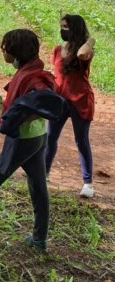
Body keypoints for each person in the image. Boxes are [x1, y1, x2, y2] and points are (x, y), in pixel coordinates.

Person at [0, 29, 67, 251]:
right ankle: (39, 239)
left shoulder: (31, 77)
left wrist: (15, 119)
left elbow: (42, 101)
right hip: (39, 136)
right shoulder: (34, 71)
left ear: (14, 51)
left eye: (4, 49)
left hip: (23, 139)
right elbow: (33, 102)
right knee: (38, 186)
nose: (3, 53)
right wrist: (12, 112)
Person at [45, 14, 96, 198]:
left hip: (80, 99)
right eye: (61, 26)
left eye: (66, 27)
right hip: (60, 100)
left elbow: (82, 54)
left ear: (75, 28)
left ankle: (88, 183)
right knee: (50, 137)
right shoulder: (58, 50)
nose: (62, 30)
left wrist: (91, 39)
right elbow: (56, 73)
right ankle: (44, 173)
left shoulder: (86, 50)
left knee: (81, 141)